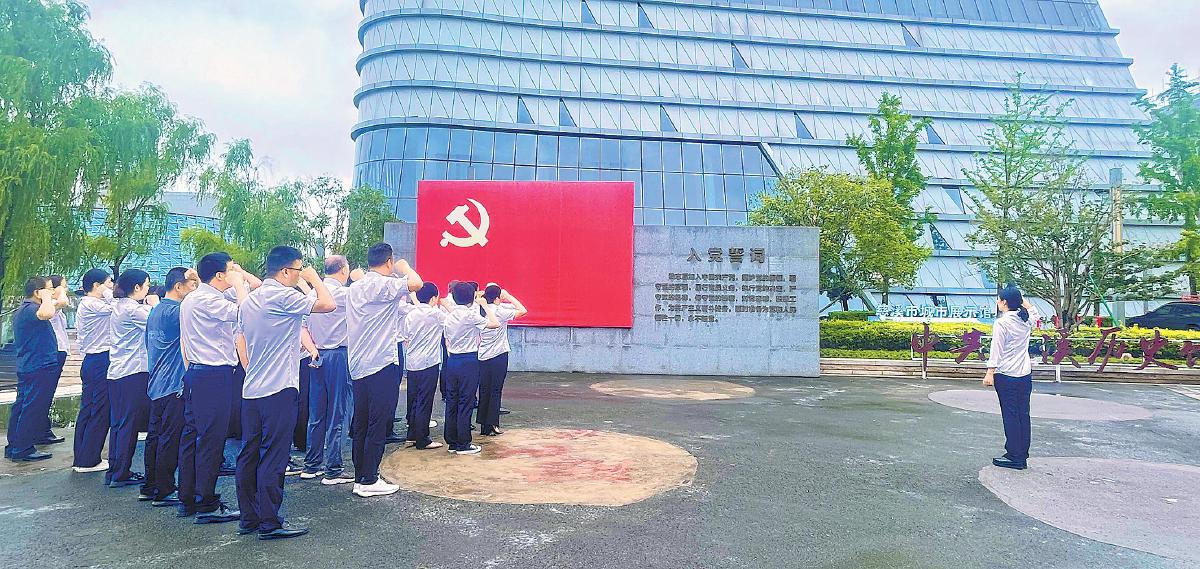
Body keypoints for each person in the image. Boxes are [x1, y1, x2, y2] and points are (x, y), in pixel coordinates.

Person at [235, 246, 334, 540]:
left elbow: (241, 340)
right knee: (274, 456)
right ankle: (269, 521)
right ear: (287, 271)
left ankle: (249, 517)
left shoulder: (250, 301)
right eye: (298, 270)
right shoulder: (283, 296)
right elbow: (328, 304)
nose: (299, 274)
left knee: (249, 454)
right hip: (278, 389)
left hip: (252, 389)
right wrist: (314, 279)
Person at [178, 252, 251, 523]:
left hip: (198, 374)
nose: (235, 272)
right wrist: (240, 284)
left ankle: (188, 498)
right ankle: (206, 503)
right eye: (231, 269)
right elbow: (248, 314)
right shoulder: (209, 300)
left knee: (193, 437)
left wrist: (240, 280)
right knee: (211, 440)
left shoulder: (195, 297)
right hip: (213, 376)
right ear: (220, 275)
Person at [346, 242, 421, 498]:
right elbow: (417, 283)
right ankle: (369, 479)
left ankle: (361, 477)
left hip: (359, 364)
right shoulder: (384, 284)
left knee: (362, 423)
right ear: (388, 262)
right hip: (381, 363)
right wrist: (405, 267)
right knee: (378, 423)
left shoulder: (355, 287)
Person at [302, 255, 362, 485]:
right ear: (343, 270)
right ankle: (333, 469)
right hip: (338, 355)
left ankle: (312, 464)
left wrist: (312, 350)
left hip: (316, 355)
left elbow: (302, 328)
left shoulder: (311, 295)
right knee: (339, 412)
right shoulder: (346, 294)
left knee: (317, 413)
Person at [142, 267, 198, 507]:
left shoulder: (156, 311)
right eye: (192, 284)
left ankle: (150, 485)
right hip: (173, 384)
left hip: (157, 382)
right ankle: (164, 489)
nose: (194, 289)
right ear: (178, 286)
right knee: (170, 438)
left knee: (156, 436)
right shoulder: (177, 312)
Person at [106, 269, 158, 489]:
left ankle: (115, 470)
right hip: (132, 372)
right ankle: (120, 473)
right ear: (137, 287)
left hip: (118, 373)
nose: (148, 289)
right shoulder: (132, 310)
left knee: (118, 423)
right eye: (146, 285)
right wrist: (155, 303)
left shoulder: (119, 306)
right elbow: (156, 321)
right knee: (129, 423)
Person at [983, 285, 1041, 471]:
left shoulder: (1002, 323)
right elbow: (1035, 312)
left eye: (999, 299)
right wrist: (1020, 299)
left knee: (1010, 415)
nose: (997, 302)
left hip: (1006, 374)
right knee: (1023, 414)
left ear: (1004, 302)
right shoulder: (1025, 319)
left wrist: (990, 372)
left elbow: (996, 349)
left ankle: (1014, 456)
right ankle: (1021, 454)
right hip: (1024, 375)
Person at [4, 278, 60, 462]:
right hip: (37, 365)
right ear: (37, 292)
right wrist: (46, 297)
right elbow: (47, 313)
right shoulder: (31, 309)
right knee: (31, 407)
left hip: (31, 364)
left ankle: (15, 445)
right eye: (49, 289)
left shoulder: (27, 309)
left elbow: (58, 304)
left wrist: (55, 293)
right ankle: (23, 448)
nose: (52, 293)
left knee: (23, 405)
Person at [442, 282, 500, 455]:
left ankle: (452, 441)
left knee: (452, 401)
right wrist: (484, 305)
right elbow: (494, 323)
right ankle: (463, 443)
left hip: (452, 360)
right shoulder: (469, 315)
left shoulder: (449, 315)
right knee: (466, 401)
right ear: (471, 298)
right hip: (468, 360)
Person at [73, 269, 115, 473]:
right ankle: (89, 460)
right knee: (99, 409)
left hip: (93, 361)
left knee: (89, 409)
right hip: (99, 360)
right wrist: (108, 292)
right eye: (108, 283)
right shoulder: (92, 304)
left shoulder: (89, 304)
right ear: (97, 286)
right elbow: (118, 307)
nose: (112, 286)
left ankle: (83, 457)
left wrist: (105, 290)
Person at [400, 282, 446, 450]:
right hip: (429, 362)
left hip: (412, 362)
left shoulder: (411, 314)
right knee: (424, 401)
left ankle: (412, 435)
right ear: (433, 298)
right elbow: (451, 323)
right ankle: (423, 439)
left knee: (413, 399)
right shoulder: (436, 314)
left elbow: (405, 336)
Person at [476, 285, 526, 436]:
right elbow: (522, 310)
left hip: (482, 355)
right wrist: (508, 296)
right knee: (495, 390)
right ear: (498, 298)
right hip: (498, 355)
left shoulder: (479, 309)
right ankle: (492, 424)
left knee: (484, 389)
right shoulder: (499, 311)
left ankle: (483, 424)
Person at [40, 275, 72, 445]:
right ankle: (41, 431)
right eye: (64, 286)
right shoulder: (50, 305)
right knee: (46, 392)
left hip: (59, 351)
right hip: (55, 352)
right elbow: (63, 301)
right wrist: (59, 290)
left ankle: (43, 429)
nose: (66, 289)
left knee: (48, 392)